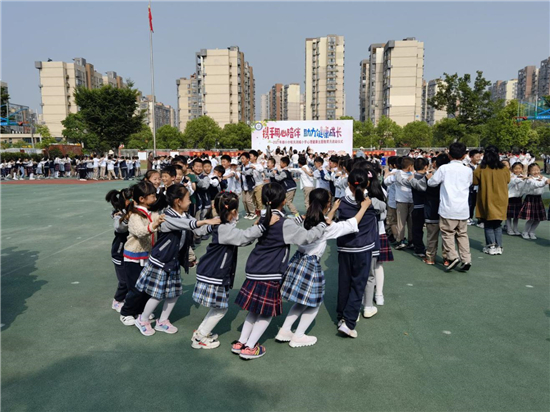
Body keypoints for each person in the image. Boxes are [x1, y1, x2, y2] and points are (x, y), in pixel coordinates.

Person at [232, 183, 327, 360]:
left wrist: (300, 219)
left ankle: (241, 342)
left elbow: (287, 225)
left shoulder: (264, 217)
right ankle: (250, 347)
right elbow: (307, 237)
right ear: (284, 200)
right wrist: (322, 225)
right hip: (270, 272)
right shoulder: (284, 224)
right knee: (266, 313)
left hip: (254, 268)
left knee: (253, 310)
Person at [277, 189, 370, 348]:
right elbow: (350, 224)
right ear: (327, 204)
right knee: (314, 302)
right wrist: (364, 207)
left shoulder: (304, 220)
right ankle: (298, 335)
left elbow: (321, 220)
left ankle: (285, 330)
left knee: (301, 301)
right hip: (311, 265)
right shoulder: (325, 227)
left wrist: (331, 211)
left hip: (298, 260)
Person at [191, 192, 278, 349]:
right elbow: (243, 238)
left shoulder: (222, 225)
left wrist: (256, 226)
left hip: (214, 271)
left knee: (217, 307)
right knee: (220, 309)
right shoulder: (223, 228)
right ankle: (200, 337)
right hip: (214, 272)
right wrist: (263, 225)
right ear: (232, 211)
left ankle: (201, 333)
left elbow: (240, 236)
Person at [134, 184, 220, 336]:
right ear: (178, 201)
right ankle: (143, 319)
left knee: (174, 293)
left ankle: (162, 321)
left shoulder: (185, 215)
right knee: (157, 294)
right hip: (161, 261)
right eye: (188, 199)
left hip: (173, 261)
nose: (190, 202)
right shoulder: (167, 216)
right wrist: (207, 221)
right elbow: (188, 225)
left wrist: (214, 225)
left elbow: (197, 230)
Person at [336, 168, 379, 338]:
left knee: (344, 283)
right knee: (358, 285)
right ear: (367, 183)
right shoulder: (371, 203)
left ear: (348, 184)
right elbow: (382, 210)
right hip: (363, 249)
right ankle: (349, 321)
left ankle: (341, 317)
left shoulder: (341, 202)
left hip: (345, 248)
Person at [119, 181, 165, 326]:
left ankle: (141, 311)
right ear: (142, 199)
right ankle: (126, 312)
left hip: (148, 257)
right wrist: (155, 225)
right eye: (152, 195)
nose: (155, 197)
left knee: (146, 288)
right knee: (135, 288)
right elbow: (139, 232)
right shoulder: (134, 215)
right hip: (133, 258)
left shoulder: (153, 212)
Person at [427, 142, 472, 272]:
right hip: (463, 209)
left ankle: (453, 256)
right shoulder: (468, 170)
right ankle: (466, 259)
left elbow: (432, 183)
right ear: (464, 155)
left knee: (447, 234)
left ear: (449, 154)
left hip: (448, 207)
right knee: (462, 235)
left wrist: (429, 177)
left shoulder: (444, 169)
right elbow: (469, 183)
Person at [473, 146, 510, 255]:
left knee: (488, 223)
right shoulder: (503, 168)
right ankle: (498, 246)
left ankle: (491, 245)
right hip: (501, 198)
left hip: (487, 197)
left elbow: (474, 181)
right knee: (497, 223)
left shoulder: (481, 168)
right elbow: (508, 180)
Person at [105, 187, 133, 313]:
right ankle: (117, 300)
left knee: (132, 278)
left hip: (132, 252)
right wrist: (126, 218)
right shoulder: (119, 214)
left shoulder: (135, 211)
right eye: (130, 199)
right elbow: (119, 228)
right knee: (124, 280)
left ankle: (128, 298)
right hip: (119, 251)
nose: (133, 201)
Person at [518, 164, 549, 240]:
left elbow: (546, 181)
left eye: (537, 170)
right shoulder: (529, 179)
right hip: (531, 199)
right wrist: (545, 182)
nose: (536, 172)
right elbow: (536, 185)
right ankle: (525, 232)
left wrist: (545, 180)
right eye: (533, 170)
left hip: (538, 199)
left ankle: (532, 232)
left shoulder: (542, 177)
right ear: (529, 171)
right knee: (531, 218)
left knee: (538, 218)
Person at [506, 162, 526, 236]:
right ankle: (509, 228)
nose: (517, 170)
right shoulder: (510, 176)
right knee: (508, 215)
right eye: (516, 168)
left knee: (516, 216)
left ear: (522, 169)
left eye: (519, 168)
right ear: (512, 169)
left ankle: (515, 229)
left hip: (518, 198)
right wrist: (522, 179)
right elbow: (512, 182)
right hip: (510, 198)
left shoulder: (523, 176)